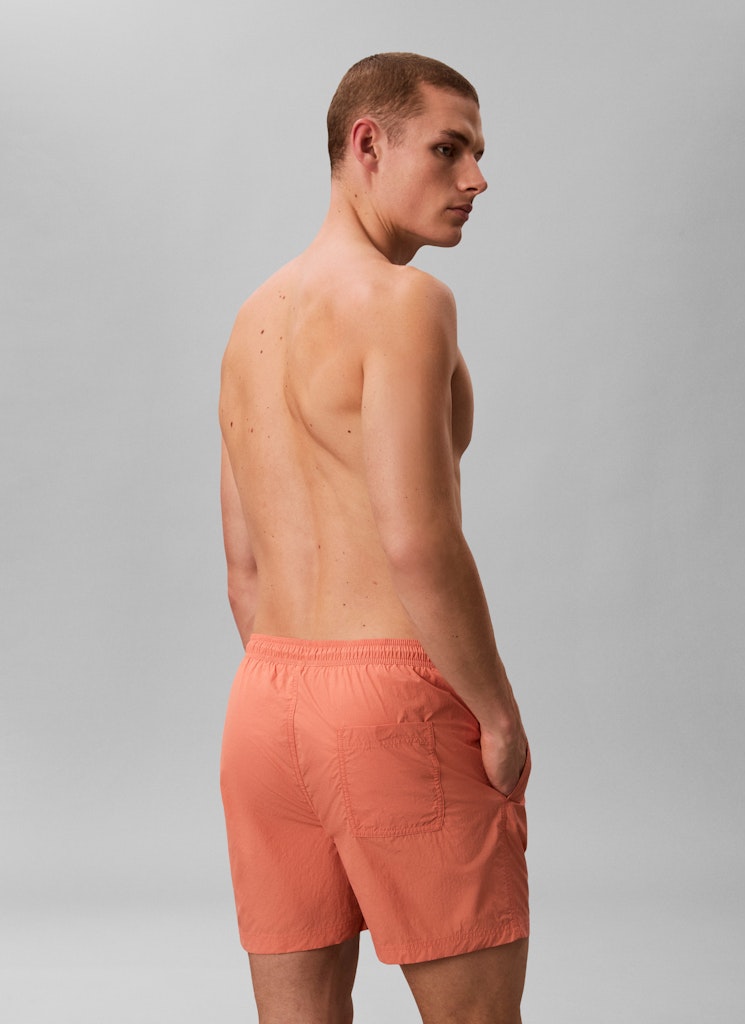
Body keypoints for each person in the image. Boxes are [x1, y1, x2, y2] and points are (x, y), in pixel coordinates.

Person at [219, 52, 530, 1024]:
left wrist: (307, 705)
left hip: (264, 705)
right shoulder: (406, 303)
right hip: (392, 699)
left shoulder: (250, 319)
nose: (476, 178)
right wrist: (496, 714)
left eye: (477, 154)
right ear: (367, 143)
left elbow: (243, 571)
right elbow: (416, 539)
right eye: (449, 149)